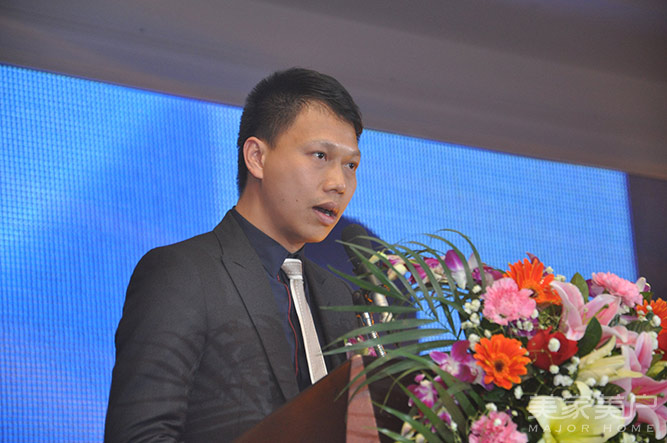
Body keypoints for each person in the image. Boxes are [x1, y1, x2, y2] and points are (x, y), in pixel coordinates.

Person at [105, 68, 363, 441]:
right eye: (320, 155)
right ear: (256, 157)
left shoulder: (342, 296)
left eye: (351, 165)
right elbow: (140, 436)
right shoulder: (183, 273)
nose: (339, 183)